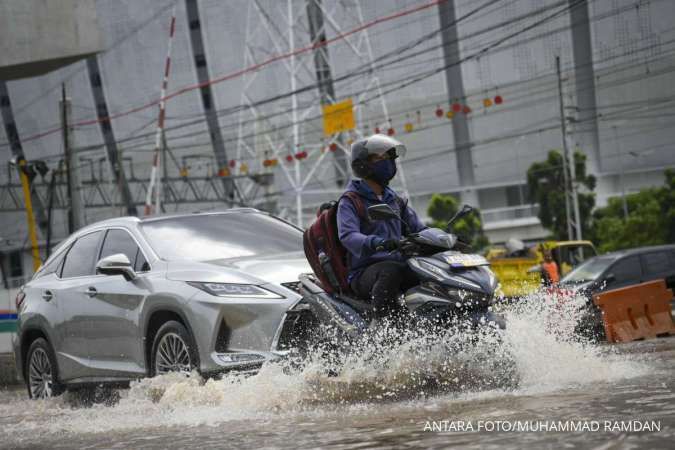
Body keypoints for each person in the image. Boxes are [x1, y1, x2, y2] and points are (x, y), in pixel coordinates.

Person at [337, 134, 427, 320]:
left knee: (427, 271)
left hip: (398, 263)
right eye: (381, 157)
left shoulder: (394, 200)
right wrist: (380, 243)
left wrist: (447, 238)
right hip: (365, 272)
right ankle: (383, 327)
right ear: (363, 164)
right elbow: (348, 235)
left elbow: (418, 228)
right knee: (390, 271)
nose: (389, 162)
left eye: (390, 157)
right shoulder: (350, 200)